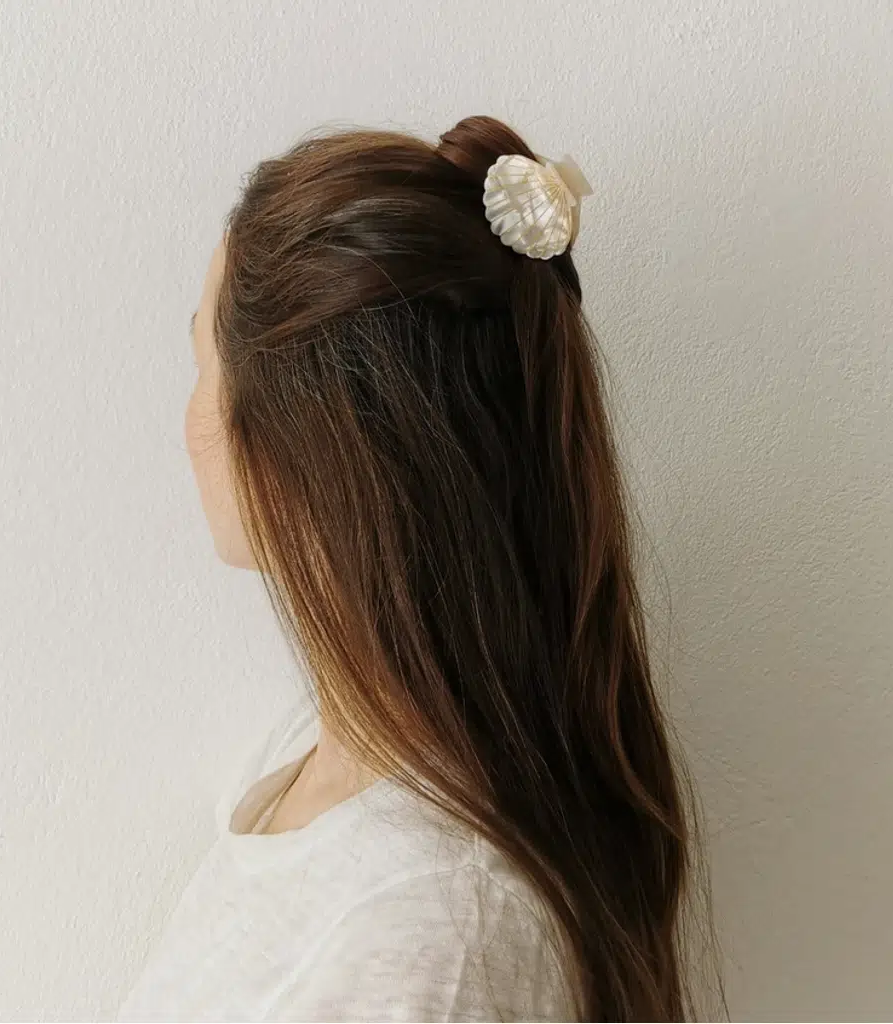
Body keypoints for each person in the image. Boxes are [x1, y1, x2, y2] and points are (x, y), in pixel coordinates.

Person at [118, 115, 712, 1022]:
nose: (188, 418)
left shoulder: (436, 944)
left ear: (299, 451)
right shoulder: (310, 755)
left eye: (203, 362)